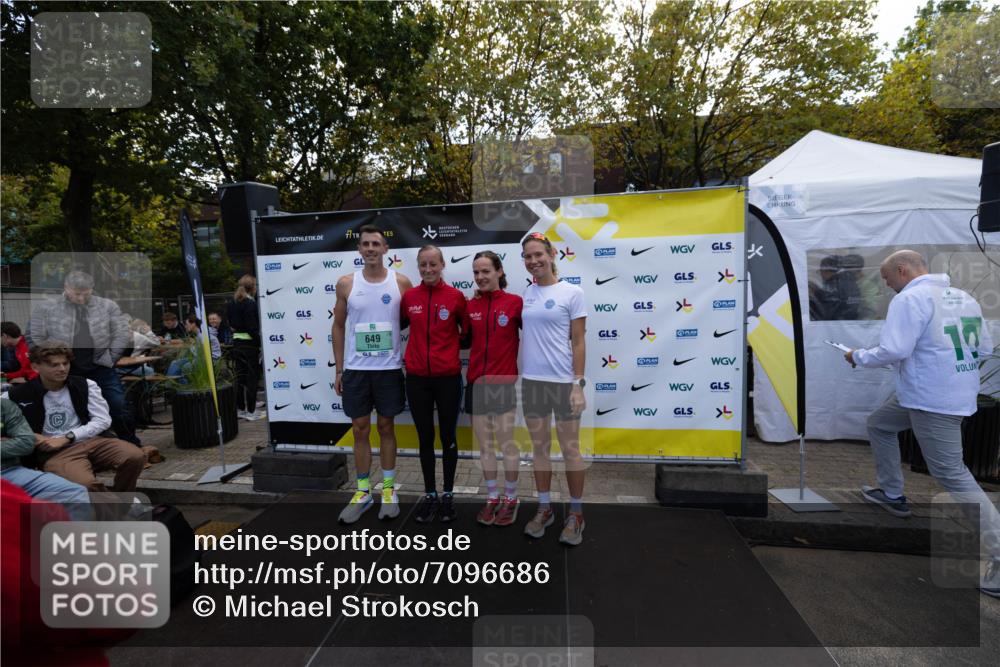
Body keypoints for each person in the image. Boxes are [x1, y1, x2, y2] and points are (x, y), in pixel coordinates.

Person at [844, 249, 999, 598]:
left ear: (902, 270)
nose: (888, 288)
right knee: (880, 424)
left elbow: (895, 349)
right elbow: (984, 349)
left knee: (952, 475)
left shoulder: (910, 299)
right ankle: (892, 493)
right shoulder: (963, 297)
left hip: (931, 401)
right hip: (945, 394)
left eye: (887, 280)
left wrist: (857, 356)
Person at [332, 224, 412, 523]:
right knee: (360, 428)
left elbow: (410, 321)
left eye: (375, 244)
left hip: (389, 370)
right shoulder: (346, 284)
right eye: (365, 244)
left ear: (385, 249)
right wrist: (339, 368)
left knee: (387, 428)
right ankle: (363, 490)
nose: (370, 249)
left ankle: (389, 490)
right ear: (359, 249)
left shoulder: (401, 282)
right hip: (356, 370)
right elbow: (338, 326)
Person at [519, 232, 588, 546]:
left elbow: (578, 341)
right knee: (540, 449)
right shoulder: (527, 293)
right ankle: (545, 508)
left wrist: (578, 385)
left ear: (551, 254)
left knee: (571, 449)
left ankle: (576, 514)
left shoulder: (572, 292)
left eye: (538, 255)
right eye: (528, 257)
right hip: (533, 382)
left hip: (563, 384)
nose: (533, 261)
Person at [6, 342, 145, 493]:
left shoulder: (85, 385)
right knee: (85, 484)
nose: (62, 369)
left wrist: (68, 437)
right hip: (55, 452)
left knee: (135, 456)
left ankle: (123, 502)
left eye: (65, 363)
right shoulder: (15, 395)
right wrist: (31, 436)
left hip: (93, 441)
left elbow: (103, 420)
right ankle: (116, 511)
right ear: (35, 367)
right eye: (54, 365)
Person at [25, 270, 139, 445]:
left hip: (101, 366)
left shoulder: (108, 306)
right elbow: (34, 336)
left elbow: (121, 334)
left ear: (92, 289)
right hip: (65, 368)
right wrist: (48, 361)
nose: (81, 298)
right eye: (77, 294)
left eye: (86, 294)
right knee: (74, 408)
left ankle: (132, 444)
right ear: (66, 288)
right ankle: (85, 447)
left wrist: (110, 358)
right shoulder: (47, 308)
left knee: (117, 405)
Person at [401, 245, 467, 523]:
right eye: (423, 265)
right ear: (418, 267)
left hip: (448, 379)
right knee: (425, 438)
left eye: (433, 264)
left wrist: (447, 353)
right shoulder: (409, 297)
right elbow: (401, 326)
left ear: (442, 265)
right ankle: (430, 495)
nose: (428, 269)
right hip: (417, 379)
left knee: (448, 438)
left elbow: (467, 334)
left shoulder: (455, 297)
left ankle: (448, 495)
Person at [463, 251, 523, 527]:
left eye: (486, 271)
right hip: (475, 383)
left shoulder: (515, 303)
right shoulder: (470, 306)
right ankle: (492, 497)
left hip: (502, 384)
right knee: (485, 446)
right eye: (476, 272)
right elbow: (462, 340)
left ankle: (511, 499)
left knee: (507, 443)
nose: (480, 276)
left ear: (499, 271)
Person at [1, 397, 91, 520]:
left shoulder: (4, 405)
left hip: (9, 471)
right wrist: (9, 442)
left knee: (74, 492)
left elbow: (26, 442)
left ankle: (72, 538)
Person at [227, 275, 264, 421]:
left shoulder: (232, 302)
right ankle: (251, 411)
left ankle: (241, 410)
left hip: (237, 343)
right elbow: (252, 327)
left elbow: (231, 323)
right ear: (253, 287)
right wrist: (260, 342)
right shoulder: (250, 303)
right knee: (252, 378)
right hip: (249, 345)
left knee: (240, 378)